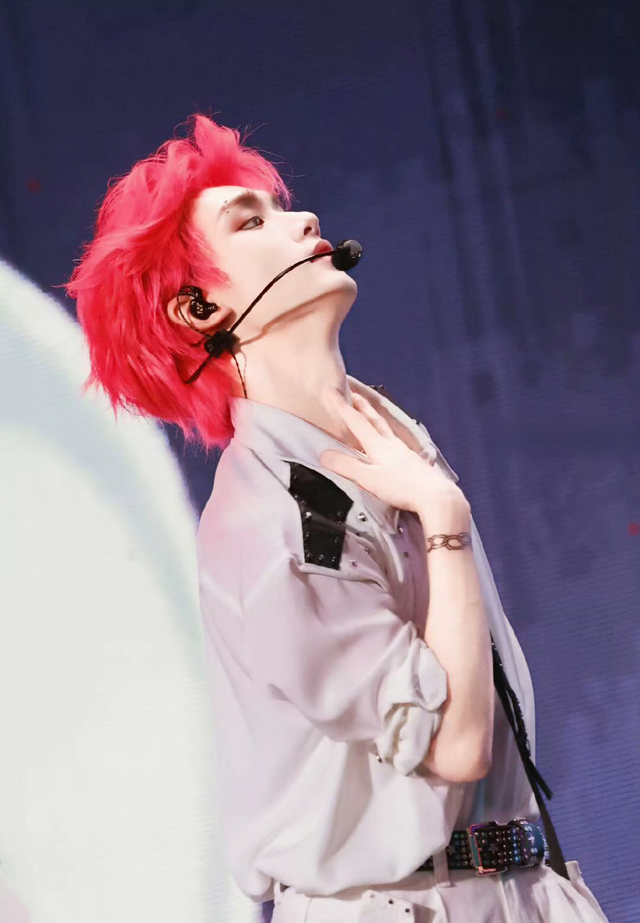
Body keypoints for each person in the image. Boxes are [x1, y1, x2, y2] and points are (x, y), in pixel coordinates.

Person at [66, 114, 610, 923]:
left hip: (518, 887)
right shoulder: (268, 522)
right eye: (250, 222)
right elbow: (457, 746)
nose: (304, 220)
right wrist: (445, 521)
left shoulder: (386, 434)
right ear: (198, 308)